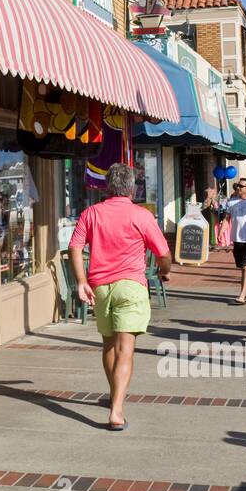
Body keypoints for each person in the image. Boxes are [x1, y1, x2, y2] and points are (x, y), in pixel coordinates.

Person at [69, 162, 172, 431]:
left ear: (108, 186)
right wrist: (164, 271)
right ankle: (116, 410)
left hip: (101, 287)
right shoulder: (141, 215)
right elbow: (163, 253)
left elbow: (75, 247)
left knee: (108, 345)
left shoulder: (91, 213)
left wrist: (81, 281)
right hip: (131, 286)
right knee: (125, 349)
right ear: (132, 187)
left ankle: (114, 393)